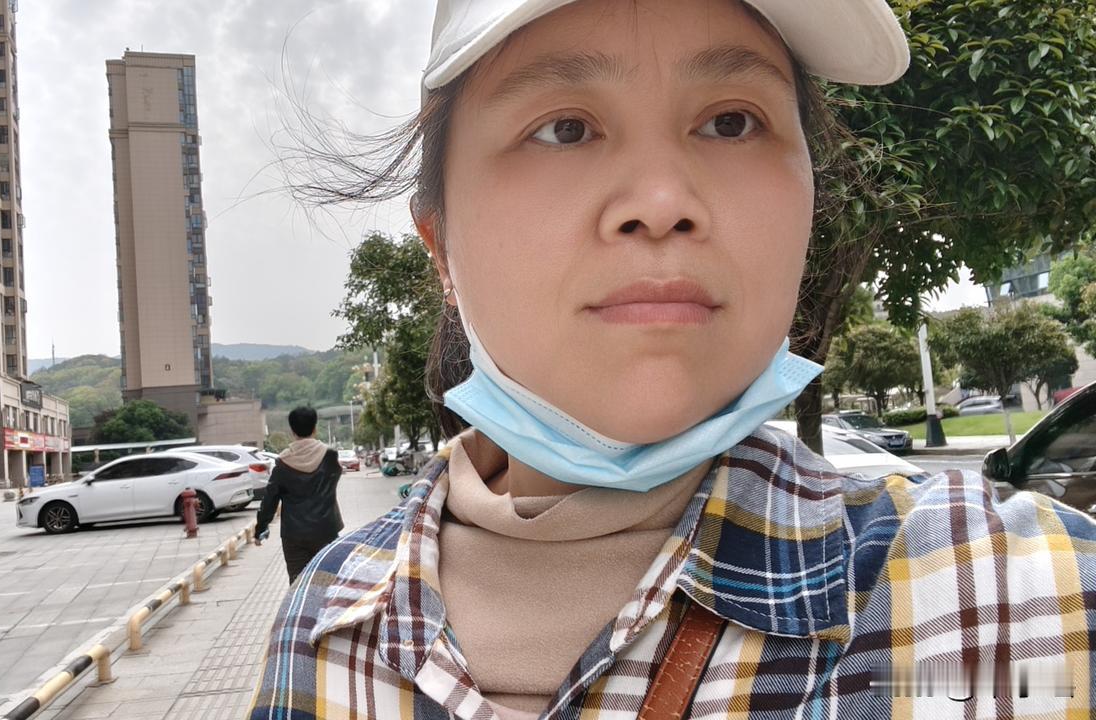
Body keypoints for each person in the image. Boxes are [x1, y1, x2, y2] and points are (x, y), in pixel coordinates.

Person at [249, 1, 1096, 718]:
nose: (661, 203)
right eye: (565, 129)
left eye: (732, 122)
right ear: (439, 245)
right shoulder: (327, 632)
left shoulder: (1006, 598)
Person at [254, 406, 345, 582]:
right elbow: (335, 477)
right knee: (329, 582)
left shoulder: (282, 463)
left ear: (292, 431)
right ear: (315, 428)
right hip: (326, 530)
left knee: (298, 585)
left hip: (294, 536)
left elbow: (270, 500)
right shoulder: (330, 457)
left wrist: (260, 529)